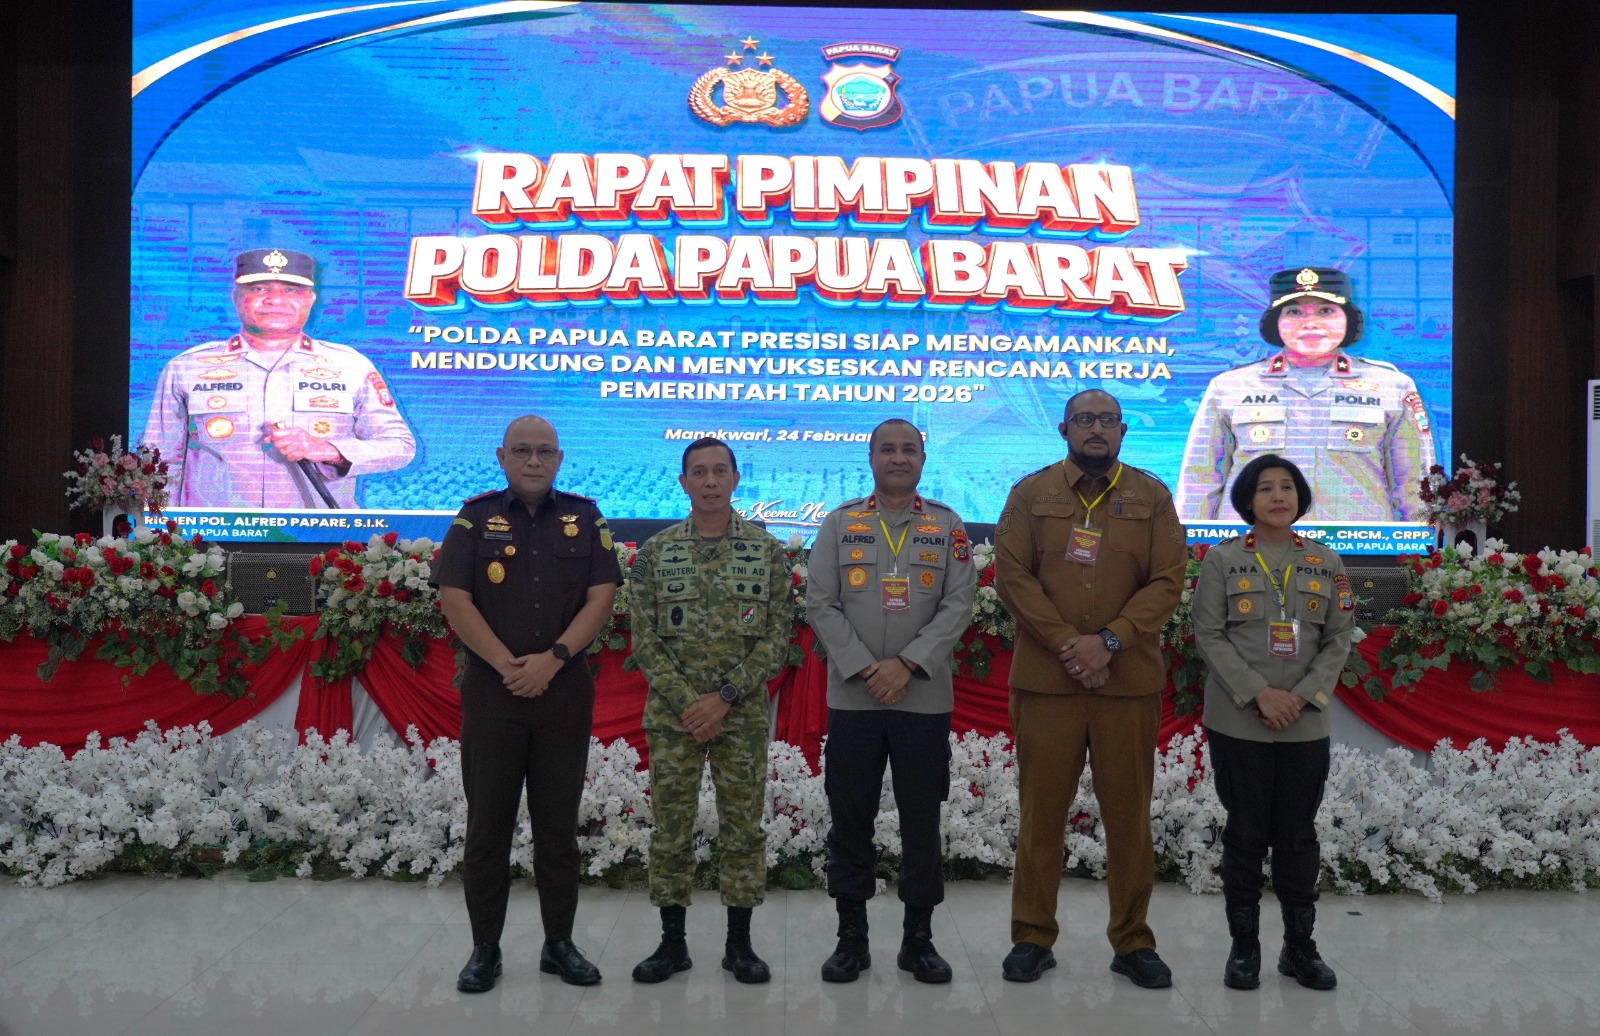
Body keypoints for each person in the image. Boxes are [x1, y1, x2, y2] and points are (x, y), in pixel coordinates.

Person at [993, 389, 1187, 989]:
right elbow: (1011, 574)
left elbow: (1168, 578)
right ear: (1064, 428)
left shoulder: (1151, 496)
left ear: (1123, 431)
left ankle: (1132, 942)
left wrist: (1108, 641)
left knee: (1128, 818)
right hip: (1048, 683)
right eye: (1085, 419)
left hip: (1124, 681)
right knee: (1040, 815)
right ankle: (1032, 936)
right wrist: (1067, 644)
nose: (1095, 429)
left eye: (1106, 420)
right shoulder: (1033, 493)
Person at [431, 415, 621, 993]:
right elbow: (454, 597)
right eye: (522, 451)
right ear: (502, 456)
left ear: (559, 459)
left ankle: (558, 944)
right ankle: (484, 949)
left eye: (544, 452)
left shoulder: (585, 517)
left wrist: (553, 658)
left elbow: (602, 595)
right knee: (488, 824)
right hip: (495, 693)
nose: (533, 460)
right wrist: (505, 663)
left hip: (563, 690)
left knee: (557, 826)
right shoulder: (474, 516)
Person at [805, 419, 977, 984]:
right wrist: (863, 667)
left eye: (909, 449)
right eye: (888, 449)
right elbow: (821, 603)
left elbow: (958, 604)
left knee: (921, 820)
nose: (898, 458)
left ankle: (917, 939)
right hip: (854, 698)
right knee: (849, 819)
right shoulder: (839, 523)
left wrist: (905, 665)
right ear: (871, 457)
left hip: (922, 697)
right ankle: (850, 938)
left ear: (923, 459)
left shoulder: (947, 526)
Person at [626, 437, 794, 985]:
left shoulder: (766, 552)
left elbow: (776, 638)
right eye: (699, 472)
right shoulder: (656, 552)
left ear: (736, 478)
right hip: (674, 719)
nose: (710, 481)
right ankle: (672, 944)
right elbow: (644, 639)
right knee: (671, 829)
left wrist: (721, 699)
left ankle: (739, 945)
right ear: (683, 483)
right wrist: (688, 703)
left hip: (738, 717)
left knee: (742, 829)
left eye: (720, 471)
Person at [1191, 453, 1351, 992]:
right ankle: (1245, 948)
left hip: (1303, 723)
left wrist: (1300, 697)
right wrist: (1260, 694)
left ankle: (1300, 948)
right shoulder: (1223, 560)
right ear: (1246, 501)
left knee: (1298, 835)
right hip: (1240, 720)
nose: (1278, 496)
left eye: (1287, 487)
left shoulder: (1327, 562)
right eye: (1265, 488)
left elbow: (1336, 639)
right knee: (1246, 833)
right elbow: (1209, 636)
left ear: (1301, 498)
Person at [143, 247, 415, 508]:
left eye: (291, 290)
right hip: (213, 538)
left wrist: (330, 450)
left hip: (319, 539)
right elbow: (160, 460)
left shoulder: (350, 365)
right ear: (236, 296)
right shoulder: (187, 367)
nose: (275, 300)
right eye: (258, 288)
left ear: (310, 299)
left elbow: (399, 445)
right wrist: (161, 533)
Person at [1175, 267, 1435, 522]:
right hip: (1248, 552)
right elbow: (1201, 478)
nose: (1310, 323)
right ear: (1275, 321)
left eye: (1325, 311)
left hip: (1357, 550)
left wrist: (1424, 553)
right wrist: (1187, 552)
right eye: (1294, 312)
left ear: (1348, 318)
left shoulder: (1392, 386)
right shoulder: (1230, 386)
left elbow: (1414, 483)